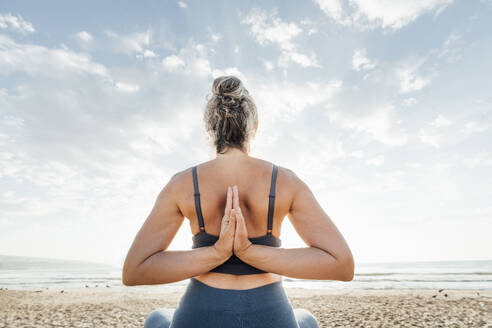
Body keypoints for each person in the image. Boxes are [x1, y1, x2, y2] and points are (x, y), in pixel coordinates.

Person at [122, 75, 354, 327]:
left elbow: (135, 270)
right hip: (271, 314)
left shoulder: (181, 183)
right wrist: (250, 253)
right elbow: (341, 265)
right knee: (306, 319)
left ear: (210, 129)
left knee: (156, 318)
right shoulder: (286, 181)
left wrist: (218, 253)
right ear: (253, 128)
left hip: (199, 314)